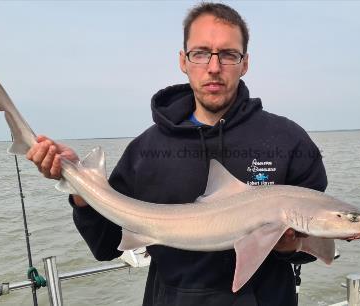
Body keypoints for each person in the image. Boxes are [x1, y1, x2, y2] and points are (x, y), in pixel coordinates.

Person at [27, 3, 327, 305]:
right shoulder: (146, 150)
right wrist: (79, 185)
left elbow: (312, 246)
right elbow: (105, 245)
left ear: (245, 63)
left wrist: (288, 245)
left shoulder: (289, 141)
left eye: (228, 54)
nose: (213, 67)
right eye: (200, 53)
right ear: (183, 61)